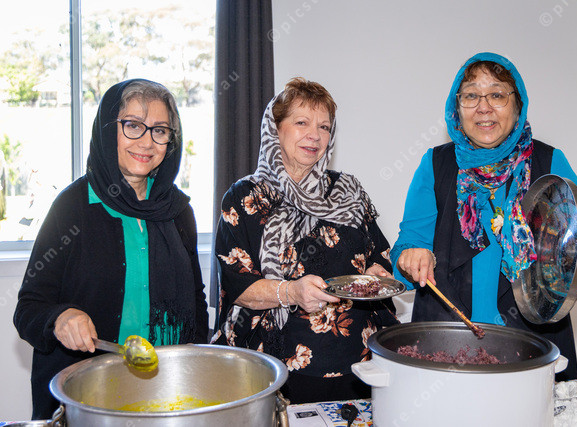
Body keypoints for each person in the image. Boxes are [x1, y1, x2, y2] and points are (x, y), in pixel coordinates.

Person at [390, 52, 577, 381]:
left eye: (497, 94)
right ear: (456, 107)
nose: (484, 107)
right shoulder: (435, 164)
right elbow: (405, 253)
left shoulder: (550, 162)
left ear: (517, 105)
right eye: (471, 95)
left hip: (531, 348)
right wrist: (410, 256)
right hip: (447, 347)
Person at [14, 79, 209, 419]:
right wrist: (61, 317)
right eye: (132, 125)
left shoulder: (179, 211)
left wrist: (197, 369)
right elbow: (28, 309)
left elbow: (196, 302)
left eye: (160, 130)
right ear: (108, 130)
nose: (146, 142)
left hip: (166, 395)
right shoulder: (72, 207)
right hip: (85, 399)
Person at [215, 77, 398, 403]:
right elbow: (238, 287)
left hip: (358, 364)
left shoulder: (348, 190)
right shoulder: (245, 197)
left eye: (324, 127)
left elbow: (378, 254)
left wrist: (376, 273)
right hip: (277, 365)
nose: (315, 135)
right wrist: (291, 292)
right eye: (301, 122)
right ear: (276, 129)